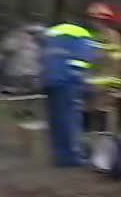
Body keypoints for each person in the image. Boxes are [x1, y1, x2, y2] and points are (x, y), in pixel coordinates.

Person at [40, 20, 98, 167]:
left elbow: (42, 57)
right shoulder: (84, 36)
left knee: (55, 121)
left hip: (49, 80)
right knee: (70, 119)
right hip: (68, 82)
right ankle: (72, 157)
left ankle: (59, 156)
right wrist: (82, 83)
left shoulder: (52, 33)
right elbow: (82, 61)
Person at [84, 3, 121, 133]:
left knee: (102, 116)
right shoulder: (86, 35)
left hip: (105, 86)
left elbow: (118, 62)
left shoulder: (114, 37)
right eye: (94, 19)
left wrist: (115, 85)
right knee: (86, 115)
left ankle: (102, 140)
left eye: (101, 20)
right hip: (87, 85)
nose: (97, 23)